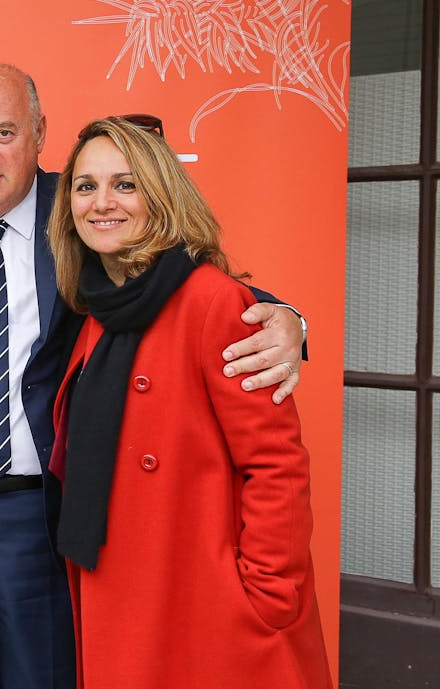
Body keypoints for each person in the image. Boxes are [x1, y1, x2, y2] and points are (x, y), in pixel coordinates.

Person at [0, 63, 306, 689]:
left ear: (39, 133)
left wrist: (287, 319)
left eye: (4, 131)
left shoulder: (86, 210)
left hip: (53, 519)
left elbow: (185, 280)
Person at [45, 115, 331, 688]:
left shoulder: (213, 303)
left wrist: (266, 597)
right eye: (86, 185)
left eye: (126, 184)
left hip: (206, 600)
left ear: (162, 194)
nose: (103, 202)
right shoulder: (97, 305)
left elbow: (276, 465)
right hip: (116, 580)